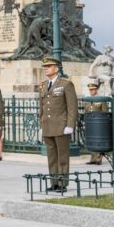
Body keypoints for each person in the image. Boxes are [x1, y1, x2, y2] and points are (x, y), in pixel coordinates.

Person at [39, 56, 77, 192]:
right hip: (48, 126)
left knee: (62, 156)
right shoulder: (43, 85)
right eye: (45, 66)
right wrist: (41, 122)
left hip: (61, 126)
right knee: (52, 156)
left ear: (56, 68)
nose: (45, 69)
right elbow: (42, 106)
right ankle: (54, 181)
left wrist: (70, 125)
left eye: (48, 66)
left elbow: (72, 107)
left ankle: (62, 183)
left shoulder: (65, 84)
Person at [84, 83, 107, 165]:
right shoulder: (88, 99)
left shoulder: (100, 99)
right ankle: (93, 158)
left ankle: (98, 158)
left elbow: (105, 111)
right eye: (90, 90)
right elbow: (86, 111)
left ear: (96, 90)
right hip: (90, 123)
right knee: (92, 140)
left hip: (99, 123)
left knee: (98, 140)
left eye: (93, 89)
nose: (91, 91)